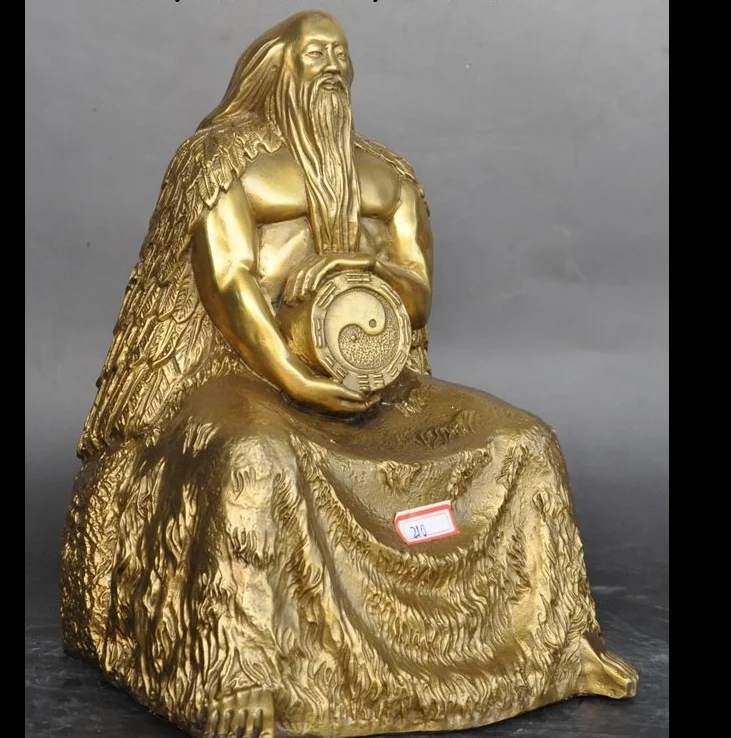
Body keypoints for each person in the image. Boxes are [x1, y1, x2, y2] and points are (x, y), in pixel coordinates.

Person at [61, 11, 637, 738]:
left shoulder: (387, 175)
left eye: (340, 52)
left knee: (523, 443)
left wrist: (365, 269)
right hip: (248, 374)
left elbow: (417, 295)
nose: (331, 64)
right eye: (314, 53)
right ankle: (244, 673)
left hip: (376, 378)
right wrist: (295, 379)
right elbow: (229, 282)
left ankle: (558, 643)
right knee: (253, 456)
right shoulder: (222, 162)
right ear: (276, 68)